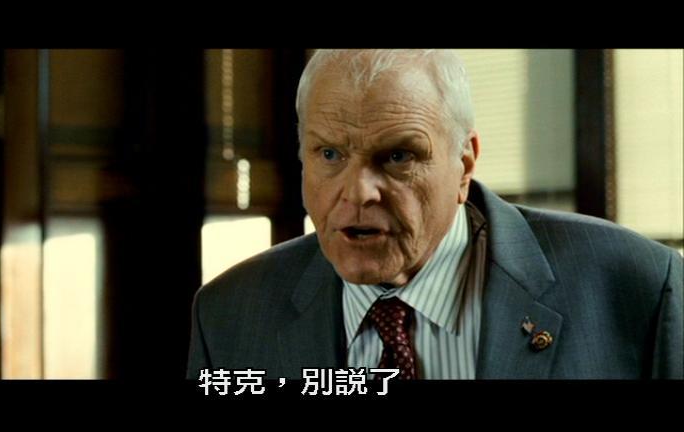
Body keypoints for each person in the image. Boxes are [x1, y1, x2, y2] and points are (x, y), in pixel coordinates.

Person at [187, 49, 683, 380]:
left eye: (398, 156)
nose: (358, 193)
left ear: (464, 164)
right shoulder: (231, 315)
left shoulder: (635, 286)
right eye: (330, 154)